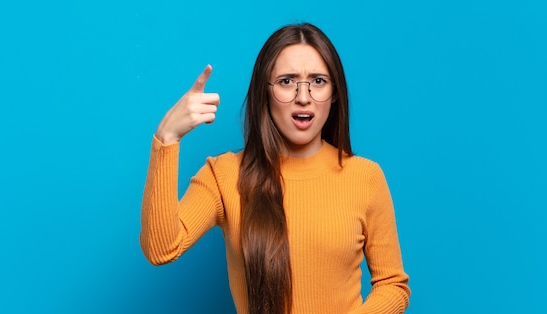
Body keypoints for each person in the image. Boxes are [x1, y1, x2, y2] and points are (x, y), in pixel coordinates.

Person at [140, 23, 410, 314]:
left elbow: (392, 284)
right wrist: (167, 138)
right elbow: (161, 249)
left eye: (318, 81)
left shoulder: (365, 177)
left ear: (334, 93)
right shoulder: (225, 175)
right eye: (286, 81)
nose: (303, 97)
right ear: (264, 93)